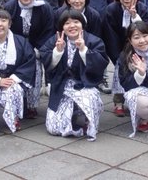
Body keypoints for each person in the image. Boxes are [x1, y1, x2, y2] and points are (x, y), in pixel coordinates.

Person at [40, 9, 108, 141]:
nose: (72, 26)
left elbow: (100, 65)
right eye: (67, 23)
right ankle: (74, 115)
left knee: (87, 99)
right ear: (62, 27)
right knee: (54, 128)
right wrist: (57, 52)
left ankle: (83, 115)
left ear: (82, 24)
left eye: (76, 22)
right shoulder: (55, 40)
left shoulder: (93, 41)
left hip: (85, 85)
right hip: (62, 87)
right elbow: (46, 60)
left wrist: (83, 50)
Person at [102, 0, 148, 117]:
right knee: (119, 71)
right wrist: (117, 56)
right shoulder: (111, 9)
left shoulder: (142, 8)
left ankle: (140, 100)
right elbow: (109, 35)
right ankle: (118, 102)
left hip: (140, 46)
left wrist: (135, 17)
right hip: (119, 47)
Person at [3, 0, 54, 118]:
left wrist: (38, 49)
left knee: (35, 70)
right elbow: (5, 29)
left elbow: (48, 29)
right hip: (16, 46)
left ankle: (31, 105)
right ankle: (17, 102)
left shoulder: (44, 7)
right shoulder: (10, 7)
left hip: (36, 47)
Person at [56, 0, 111, 94]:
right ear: (68, 0)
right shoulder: (60, 13)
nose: (77, 1)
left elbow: (97, 37)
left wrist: (84, 47)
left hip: (87, 45)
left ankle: (98, 79)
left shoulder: (94, 15)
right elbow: (58, 33)